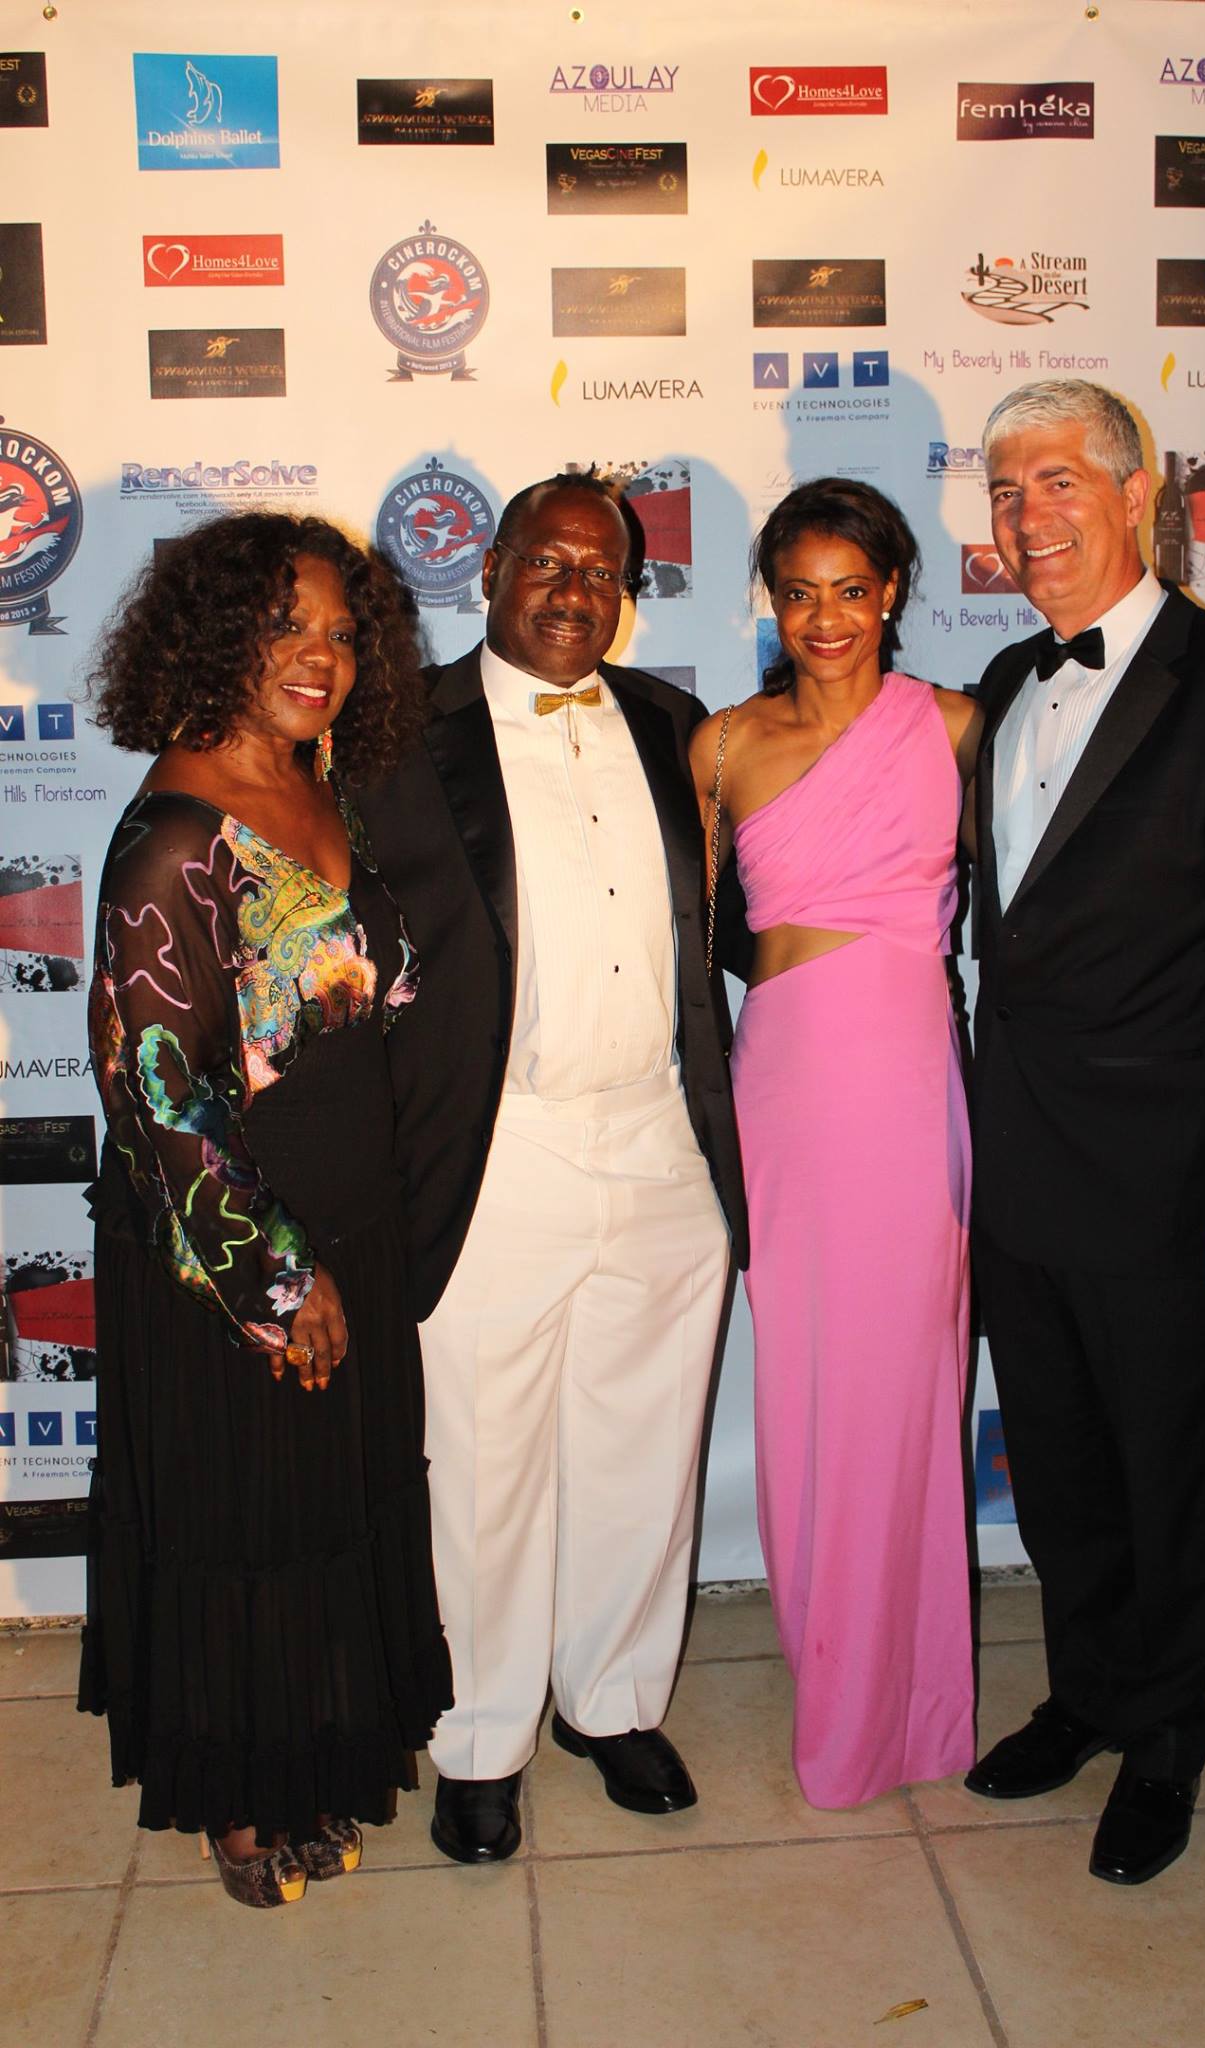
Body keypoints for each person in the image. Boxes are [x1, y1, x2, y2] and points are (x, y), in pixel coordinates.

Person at [967, 379, 1205, 1883]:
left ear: (1138, 496)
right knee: (1062, 1469)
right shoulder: (1004, 684)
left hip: (1183, 1192)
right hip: (1020, 1173)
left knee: (1170, 1473)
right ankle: (1087, 1691)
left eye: (1060, 482)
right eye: (1006, 493)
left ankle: (1167, 1729)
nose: (1029, 516)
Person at [357, 473, 747, 1865]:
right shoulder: (395, 733)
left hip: (659, 1139)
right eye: (547, 560)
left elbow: (751, 916)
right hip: (491, 1153)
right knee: (482, 1465)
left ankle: (612, 1702)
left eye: (601, 566)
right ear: (490, 571)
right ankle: (480, 1736)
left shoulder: (676, 726)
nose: (574, 586)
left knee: (643, 1449)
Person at [79, 513, 453, 1908]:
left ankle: (306, 1759)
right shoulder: (176, 834)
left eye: (343, 634)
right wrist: (280, 1288)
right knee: (240, 1528)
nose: (320, 657)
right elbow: (161, 1106)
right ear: (212, 636)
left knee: (322, 1522)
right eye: (284, 626)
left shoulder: (322, 791)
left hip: (349, 1211)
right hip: (231, 1253)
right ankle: (236, 1800)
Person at [688, 479, 982, 1807]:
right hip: (790, 1085)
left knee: (906, 1390)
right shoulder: (721, 746)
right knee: (808, 1392)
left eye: (848, 590)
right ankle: (838, 1681)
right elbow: (694, 952)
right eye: (798, 590)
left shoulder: (960, 727)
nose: (823, 616)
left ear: (891, 597)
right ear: (770, 597)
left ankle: (912, 1706)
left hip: (911, 1083)